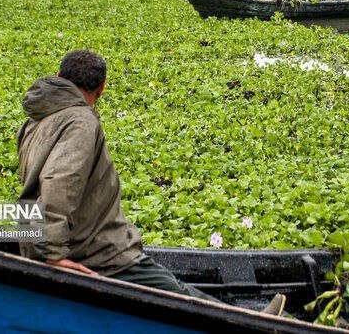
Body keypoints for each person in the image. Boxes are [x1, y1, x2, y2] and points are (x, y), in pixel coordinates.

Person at [17, 49, 285, 315]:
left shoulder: (36, 119)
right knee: (172, 290)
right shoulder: (81, 121)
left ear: (59, 76)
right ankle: (246, 322)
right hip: (95, 252)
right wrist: (53, 254)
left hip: (40, 239)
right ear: (101, 89)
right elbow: (60, 182)